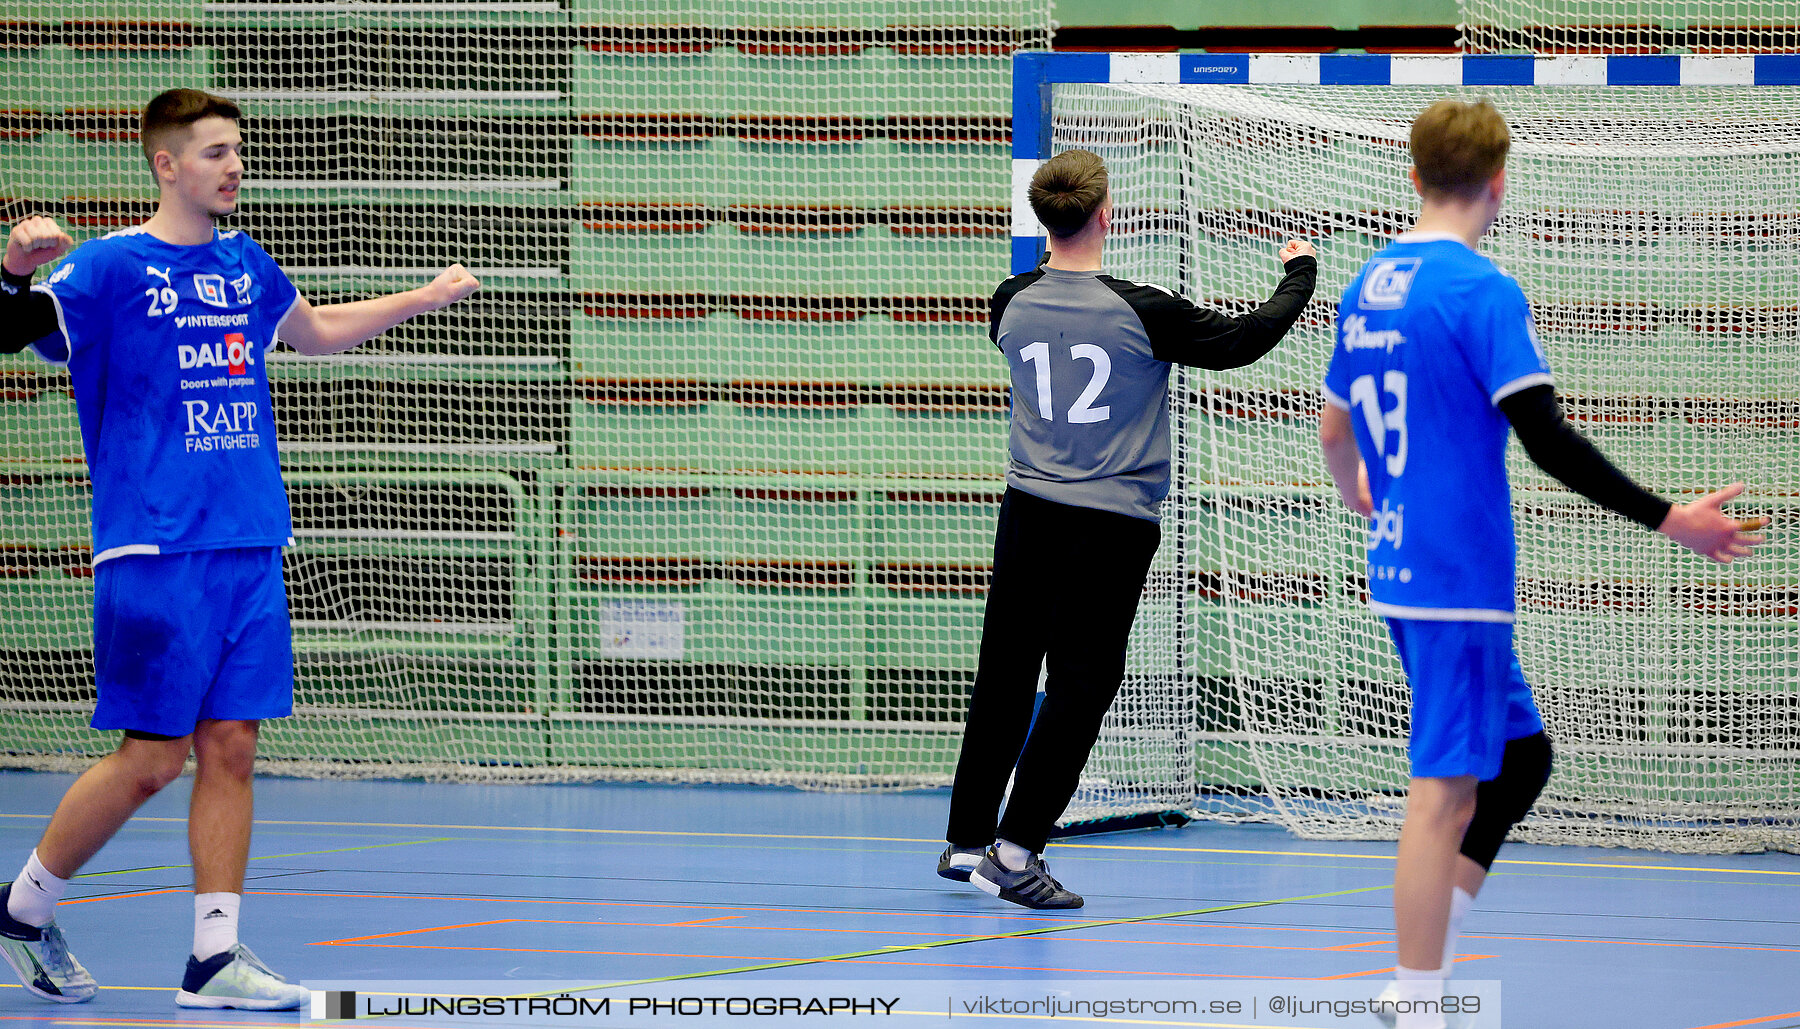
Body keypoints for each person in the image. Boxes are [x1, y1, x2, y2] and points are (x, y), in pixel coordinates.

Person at [0, 88, 479, 1009]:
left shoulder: (245, 266)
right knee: (151, 758)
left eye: (238, 150)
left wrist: (422, 296)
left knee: (232, 745)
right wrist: (15, 272)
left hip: (250, 540)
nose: (233, 165)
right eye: (214, 151)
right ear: (165, 163)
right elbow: (7, 328)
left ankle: (214, 958)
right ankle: (22, 906)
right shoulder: (107, 271)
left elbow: (320, 331)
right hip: (155, 549)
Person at [1318, 98, 1766, 1029]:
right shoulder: (1480, 291)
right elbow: (1547, 439)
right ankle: (1415, 1001)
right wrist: (1669, 519)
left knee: (1521, 761)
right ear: (1500, 180)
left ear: (1413, 176)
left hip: (1404, 564)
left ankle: (1429, 959)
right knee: (1442, 792)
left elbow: (1333, 424)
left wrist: (1361, 485)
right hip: (1459, 577)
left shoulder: (1371, 281)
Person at [939, 148, 1317, 909]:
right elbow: (1245, 340)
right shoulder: (1144, 310)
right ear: (1106, 213)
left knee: (1007, 676)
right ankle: (1017, 849)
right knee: (1082, 684)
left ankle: (966, 841)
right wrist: (1300, 272)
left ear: (1044, 217)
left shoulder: (1008, 301)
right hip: (1107, 525)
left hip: (1027, 513)